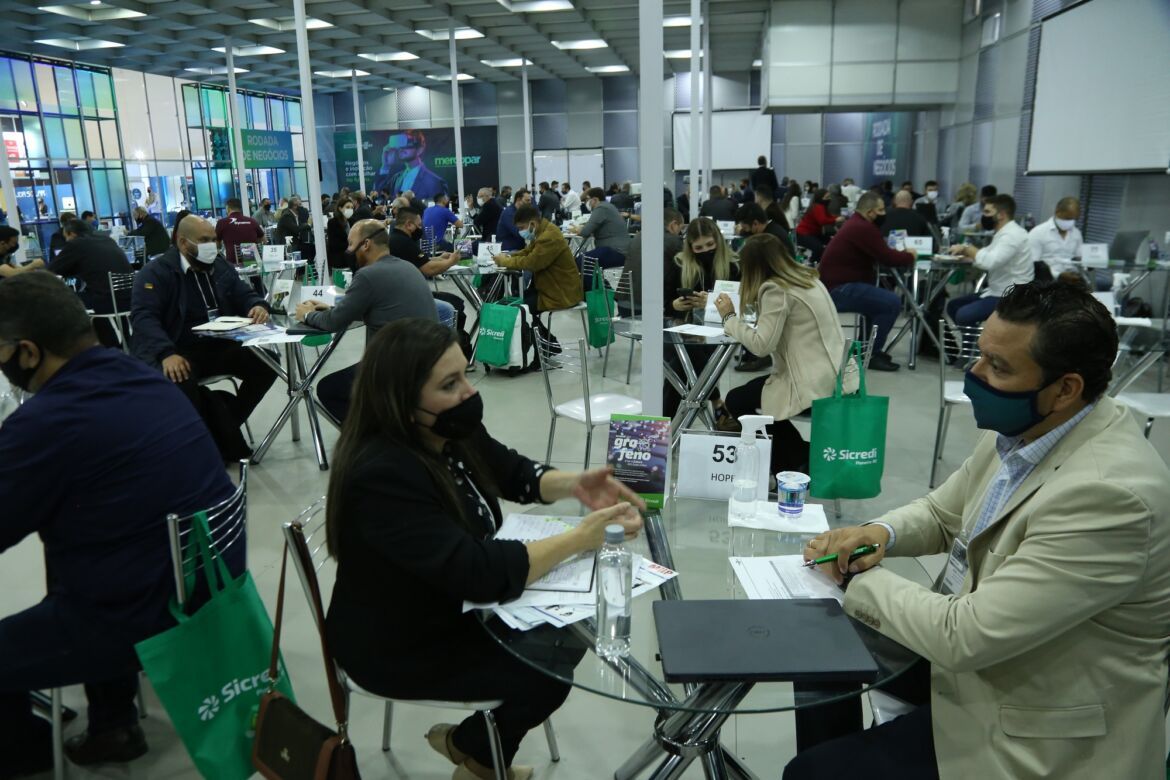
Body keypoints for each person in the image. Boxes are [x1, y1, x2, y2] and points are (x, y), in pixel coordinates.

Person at [787, 280, 1170, 780]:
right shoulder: (1032, 429)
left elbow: (964, 635)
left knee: (810, 772)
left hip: (1034, 723)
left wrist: (854, 575)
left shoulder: (1109, 496)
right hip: (983, 661)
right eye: (980, 353)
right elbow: (942, 513)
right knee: (815, 640)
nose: (975, 372)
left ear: (1066, 388)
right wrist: (878, 532)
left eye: (998, 366)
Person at [322, 318, 643, 780]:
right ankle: (481, 759)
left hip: (445, 604)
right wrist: (579, 537)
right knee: (546, 673)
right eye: (449, 384)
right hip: (397, 642)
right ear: (401, 402)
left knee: (569, 634)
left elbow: (509, 471)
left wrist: (576, 484)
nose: (469, 392)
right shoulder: (383, 474)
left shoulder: (445, 430)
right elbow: (480, 574)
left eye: (465, 374)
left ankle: (473, 749)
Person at [0, 272, 241, 775]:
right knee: (75, 539)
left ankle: (28, 752)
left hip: (142, 616)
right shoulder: (144, 378)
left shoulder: (45, 423)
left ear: (27, 352)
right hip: (210, 591)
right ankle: (113, 724)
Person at [130, 215, 276, 460]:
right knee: (181, 381)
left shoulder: (219, 265)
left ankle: (223, 427)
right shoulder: (155, 273)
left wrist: (257, 305)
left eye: (214, 239)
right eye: (204, 240)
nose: (213, 245)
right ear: (183, 242)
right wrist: (166, 353)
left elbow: (243, 292)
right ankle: (213, 437)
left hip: (217, 343)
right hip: (177, 348)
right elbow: (144, 317)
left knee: (267, 364)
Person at [716, 234, 856, 473]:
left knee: (737, 400)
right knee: (751, 393)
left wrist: (729, 318)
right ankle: (799, 456)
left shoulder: (776, 290)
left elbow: (761, 345)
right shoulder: (808, 278)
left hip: (812, 384)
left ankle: (796, 460)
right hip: (838, 375)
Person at [297, 219, 440, 424]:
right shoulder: (408, 267)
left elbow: (333, 323)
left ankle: (372, 437)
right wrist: (331, 308)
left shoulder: (368, 275)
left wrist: (307, 315)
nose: (349, 250)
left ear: (366, 244)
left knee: (329, 389)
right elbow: (375, 306)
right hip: (427, 363)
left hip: (393, 370)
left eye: (351, 243)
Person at [818, 192, 916, 371]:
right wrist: (910, 256)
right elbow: (888, 258)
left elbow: (881, 252)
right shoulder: (862, 228)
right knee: (890, 303)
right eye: (881, 210)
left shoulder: (856, 224)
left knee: (876, 302)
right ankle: (872, 354)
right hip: (839, 289)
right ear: (870, 212)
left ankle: (865, 350)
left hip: (835, 286)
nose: (884, 213)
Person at [663, 218, 740, 418]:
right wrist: (675, 305)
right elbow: (665, 302)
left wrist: (712, 302)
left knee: (679, 369)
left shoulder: (733, 266)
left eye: (710, 245)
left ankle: (662, 426)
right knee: (685, 359)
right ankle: (716, 403)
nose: (705, 250)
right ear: (690, 248)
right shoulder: (679, 264)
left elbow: (741, 304)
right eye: (698, 248)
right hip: (682, 328)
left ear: (718, 241)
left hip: (721, 332)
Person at [947, 194, 1034, 326]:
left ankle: (980, 339)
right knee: (953, 306)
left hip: (1011, 295)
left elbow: (989, 261)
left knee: (963, 315)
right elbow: (987, 254)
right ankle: (973, 339)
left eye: (987, 212)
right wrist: (967, 256)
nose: (983, 216)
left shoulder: (1012, 236)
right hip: (997, 291)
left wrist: (968, 249)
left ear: (1001, 215)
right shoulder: (1003, 233)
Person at [48, 219, 133, 348]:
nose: (66, 241)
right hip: (129, 300)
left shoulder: (76, 244)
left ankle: (75, 348)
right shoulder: (108, 240)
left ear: (72, 234)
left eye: (66, 237)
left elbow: (52, 270)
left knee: (63, 301)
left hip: (106, 303)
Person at [493, 204, 583, 313]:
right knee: (514, 301)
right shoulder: (543, 230)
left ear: (532, 224)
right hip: (550, 288)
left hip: (561, 294)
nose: (520, 232)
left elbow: (531, 263)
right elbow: (527, 251)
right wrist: (508, 256)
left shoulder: (548, 237)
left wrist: (504, 261)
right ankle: (533, 324)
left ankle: (532, 325)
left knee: (515, 310)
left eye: (521, 228)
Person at [621, 207, 684, 317]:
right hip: (651, 306)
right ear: (673, 225)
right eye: (680, 228)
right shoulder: (674, 241)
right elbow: (684, 271)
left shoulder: (638, 236)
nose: (680, 232)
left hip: (624, 302)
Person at [377, 131, 449, 200]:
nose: (401, 148)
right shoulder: (396, 178)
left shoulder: (434, 182)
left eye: (408, 143)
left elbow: (439, 206)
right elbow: (379, 196)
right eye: (400, 143)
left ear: (420, 149)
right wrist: (385, 166)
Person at [572, 187, 630, 269]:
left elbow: (585, 232)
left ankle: (588, 278)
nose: (587, 202)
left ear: (595, 199)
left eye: (588, 199)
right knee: (585, 259)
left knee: (581, 261)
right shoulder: (608, 206)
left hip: (616, 251)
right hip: (621, 251)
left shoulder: (601, 208)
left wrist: (577, 229)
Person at [1028, 196, 1083, 278]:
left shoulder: (1076, 233)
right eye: (1068, 218)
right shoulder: (1037, 233)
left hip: (1073, 278)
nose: (1071, 222)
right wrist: (1059, 275)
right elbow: (1033, 265)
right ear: (1057, 212)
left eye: (1074, 219)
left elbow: (1079, 259)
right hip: (1048, 280)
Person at [794, 188, 842, 262]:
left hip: (812, 233)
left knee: (832, 242)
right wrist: (836, 219)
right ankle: (812, 263)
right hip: (804, 234)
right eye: (827, 197)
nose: (829, 199)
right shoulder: (818, 207)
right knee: (819, 248)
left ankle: (817, 262)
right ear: (820, 197)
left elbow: (828, 217)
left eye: (829, 197)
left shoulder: (820, 206)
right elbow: (822, 220)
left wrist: (837, 218)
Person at [214, 198, 264, 265]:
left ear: (228, 208)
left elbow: (217, 245)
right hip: (253, 261)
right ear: (240, 208)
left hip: (233, 264)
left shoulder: (222, 222)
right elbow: (263, 240)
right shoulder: (252, 221)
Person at [496, 188, 531, 252]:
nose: (530, 203)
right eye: (527, 200)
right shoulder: (509, 213)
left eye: (530, 200)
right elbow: (518, 232)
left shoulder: (521, 212)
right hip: (509, 249)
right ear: (518, 200)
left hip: (518, 248)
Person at [326, 200, 354, 272]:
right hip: (339, 258)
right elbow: (333, 244)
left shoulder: (352, 221)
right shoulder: (333, 223)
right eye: (347, 207)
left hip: (351, 258)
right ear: (340, 208)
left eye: (352, 207)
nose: (350, 209)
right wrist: (351, 245)